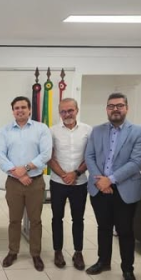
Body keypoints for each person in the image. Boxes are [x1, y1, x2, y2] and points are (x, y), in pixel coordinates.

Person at [84, 93, 141, 280]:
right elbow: (89, 156)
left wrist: (109, 180)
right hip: (99, 188)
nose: (115, 109)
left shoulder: (139, 132)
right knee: (103, 227)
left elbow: (136, 162)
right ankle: (103, 261)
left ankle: (127, 269)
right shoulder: (97, 131)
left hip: (124, 189)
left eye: (119, 105)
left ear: (127, 108)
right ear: (107, 109)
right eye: (111, 106)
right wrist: (100, 181)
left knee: (125, 231)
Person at [0, 96, 52, 271]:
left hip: (35, 182)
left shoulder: (41, 129)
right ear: (13, 111)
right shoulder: (5, 131)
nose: (20, 110)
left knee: (35, 220)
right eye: (16, 108)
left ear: (29, 110)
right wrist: (19, 175)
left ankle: (35, 254)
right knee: (14, 220)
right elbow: (1, 156)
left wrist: (26, 168)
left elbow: (46, 154)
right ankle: (13, 251)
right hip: (14, 183)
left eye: (23, 107)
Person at [48, 98, 91, 270]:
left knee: (78, 218)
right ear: (60, 113)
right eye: (63, 111)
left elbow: (90, 156)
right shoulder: (52, 131)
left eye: (70, 110)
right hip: (58, 182)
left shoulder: (88, 130)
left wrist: (76, 173)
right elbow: (50, 157)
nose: (67, 114)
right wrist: (64, 175)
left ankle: (78, 252)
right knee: (57, 218)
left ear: (77, 110)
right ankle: (58, 251)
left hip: (80, 182)